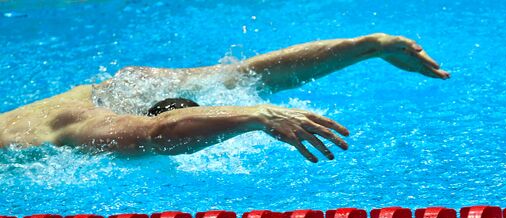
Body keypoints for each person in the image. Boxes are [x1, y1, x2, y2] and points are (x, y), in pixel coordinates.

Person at [0, 33, 449, 163]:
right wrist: (255, 115)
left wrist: (366, 47)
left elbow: (249, 73)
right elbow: (157, 134)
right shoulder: (84, 122)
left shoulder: (118, 89)